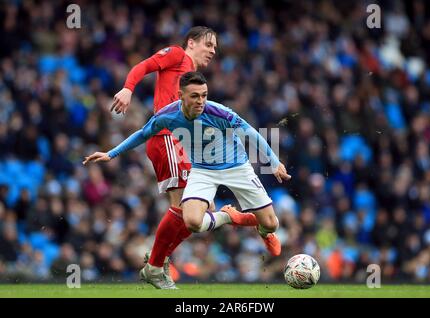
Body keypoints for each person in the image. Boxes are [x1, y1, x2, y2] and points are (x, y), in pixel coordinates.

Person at [84, 72, 291, 286]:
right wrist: (111, 153)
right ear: (181, 95)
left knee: (271, 224)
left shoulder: (219, 112)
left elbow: (251, 133)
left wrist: (274, 162)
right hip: (202, 170)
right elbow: (143, 133)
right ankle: (228, 216)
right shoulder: (168, 115)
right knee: (192, 222)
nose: (201, 101)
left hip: (237, 167)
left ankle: (264, 232)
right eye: (195, 96)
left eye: (204, 95)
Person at [109, 26, 225, 288]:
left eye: (215, 47)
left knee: (205, 209)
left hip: (181, 143)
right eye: (209, 44)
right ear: (191, 43)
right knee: (184, 208)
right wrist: (128, 89)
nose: (213, 51)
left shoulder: (193, 79)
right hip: (165, 138)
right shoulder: (175, 55)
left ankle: (157, 260)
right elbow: (144, 66)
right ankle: (156, 264)